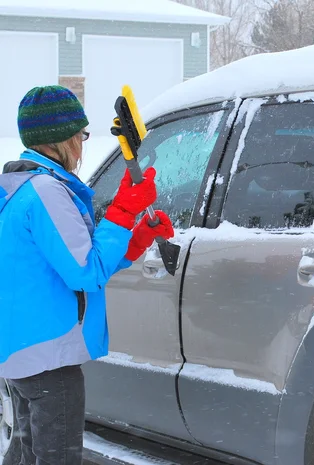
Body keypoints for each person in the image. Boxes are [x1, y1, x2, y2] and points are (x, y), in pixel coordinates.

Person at [0, 85, 174, 464]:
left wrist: (135, 239)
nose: (83, 142)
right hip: (49, 359)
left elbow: (71, 259)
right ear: (63, 139)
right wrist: (124, 212)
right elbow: (85, 272)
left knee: (28, 455)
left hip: (24, 355)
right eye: (81, 133)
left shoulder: (20, 190)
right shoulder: (46, 192)